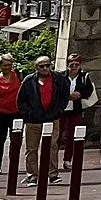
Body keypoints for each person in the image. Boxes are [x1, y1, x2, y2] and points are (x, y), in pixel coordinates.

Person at [16, 56, 68, 187]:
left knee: (52, 147)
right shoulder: (29, 80)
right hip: (33, 121)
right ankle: (32, 176)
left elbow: (64, 95)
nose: (45, 68)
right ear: (36, 68)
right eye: (42, 66)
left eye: (47, 65)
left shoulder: (58, 78)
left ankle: (53, 174)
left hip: (52, 118)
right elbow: (20, 100)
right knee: (31, 149)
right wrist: (29, 113)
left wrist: (59, 110)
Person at [56, 54, 97, 172]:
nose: (74, 67)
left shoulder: (84, 76)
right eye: (71, 64)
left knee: (71, 135)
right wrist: (67, 95)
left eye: (76, 64)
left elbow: (89, 90)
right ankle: (53, 159)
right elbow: (56, 90)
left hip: (76, 110)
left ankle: (67, 160)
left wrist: (79, 94)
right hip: (62, 110)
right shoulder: (61, 76)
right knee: (58, 135)